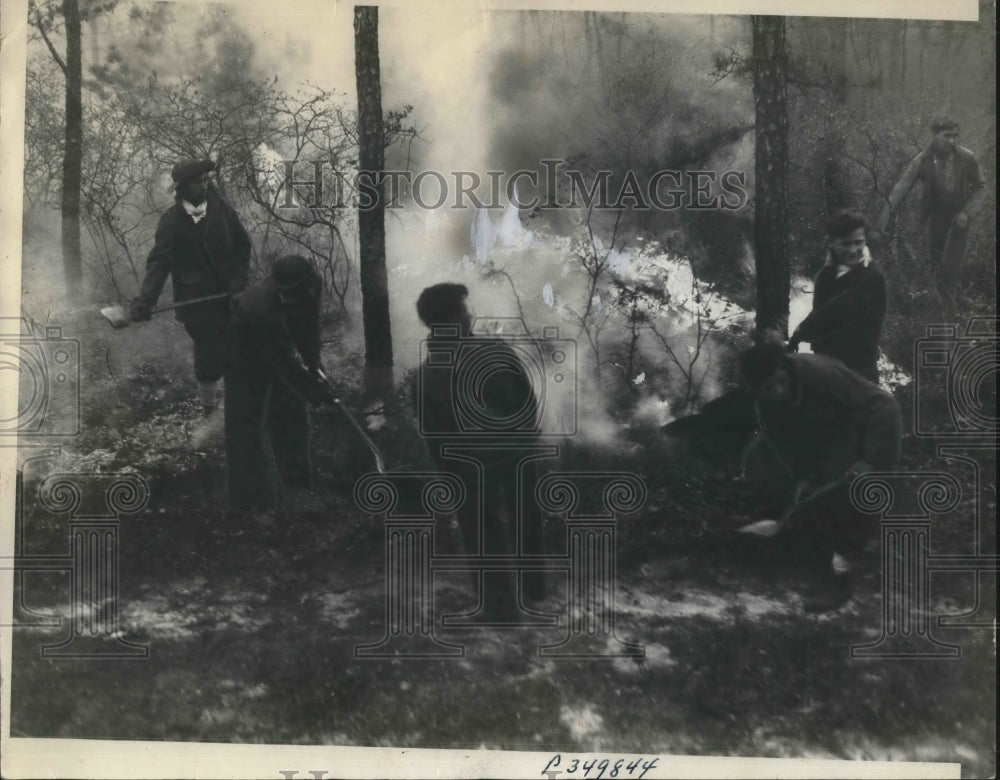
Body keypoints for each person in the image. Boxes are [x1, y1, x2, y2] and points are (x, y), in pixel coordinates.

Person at [413, 283, 546, 623]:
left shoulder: (426, 376)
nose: (469, 314)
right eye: (463, 309)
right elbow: (526, 402)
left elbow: (434, 435)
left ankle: (501, 609)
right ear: (453, 319)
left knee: (482, 532)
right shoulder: (494, 351)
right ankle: (535, 589)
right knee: (525, 519)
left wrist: (447, 473)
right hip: (516, 455)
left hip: (469, 467)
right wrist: (525, 439)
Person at [738, 341, 902, 613]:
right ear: (756, 390)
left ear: (784, 369)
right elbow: (787, 446)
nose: (777, 391)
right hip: (828, 439)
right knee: (765, 467)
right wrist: (804, 480)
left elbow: (884, 406)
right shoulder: (764, 406)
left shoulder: (823, 374)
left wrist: (873, 462)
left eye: (779, 382)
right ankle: (794, 544)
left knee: (851, 495)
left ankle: (840, 576)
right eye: (767, 389)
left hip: (864, 432)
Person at [130, 158, 252, 416]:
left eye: (206, 180)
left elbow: (243, 245)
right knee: (208, 354)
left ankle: (237, 411)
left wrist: (238, 282)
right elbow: (159, 263)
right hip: (196, 302)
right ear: (182, 188)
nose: (204, 185)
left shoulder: (222, 209)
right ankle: (210, 415)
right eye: (198, 182)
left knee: (237, 349)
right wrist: (145, 301)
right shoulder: (171, 221)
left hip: (230, 295)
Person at [222, 255, 334, 523]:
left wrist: (314, 365)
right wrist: (313, 391)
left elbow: (309, 325)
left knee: (292, 414)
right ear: (277, 287)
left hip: (275, 345)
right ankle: (248, 503)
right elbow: (282, 361)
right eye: (287, 294)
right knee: (245, 429)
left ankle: (297, 486)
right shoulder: (260, 309)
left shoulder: (312, 284)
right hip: (243, 358)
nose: (293, 297)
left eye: (298, 292)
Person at [877, 117, 987, 310]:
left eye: (955, 136)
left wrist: (966, 213)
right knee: (935, 260)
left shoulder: (966, 157)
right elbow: (899, 190)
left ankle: (950, 307)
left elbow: (981, 187)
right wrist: (881, 225)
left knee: (952, 264)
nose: (951, 141)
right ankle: (938, 306)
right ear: (935, 135)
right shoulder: (922, 160)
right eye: (947, 136)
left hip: (959, 218)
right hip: (935, 217)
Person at [788, 209, 887, 384]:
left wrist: (800, 333)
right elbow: (820, 312)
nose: (853, 250)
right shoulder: (826, 274)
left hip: (859, 374)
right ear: (831, 243)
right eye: (845, 244)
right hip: (827, 370)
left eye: (859, 242)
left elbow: (835, 312)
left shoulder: (872, 277)